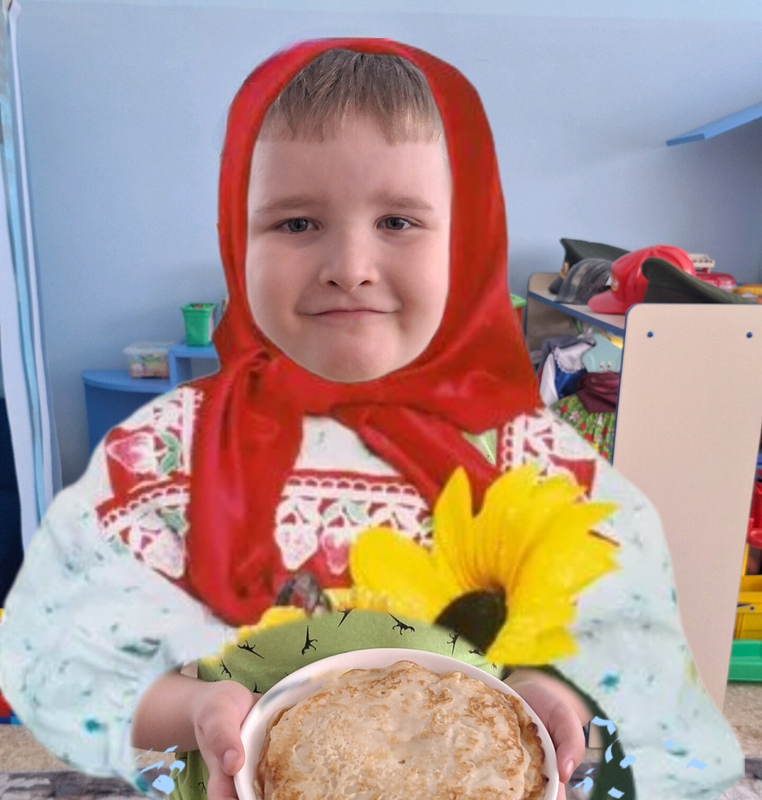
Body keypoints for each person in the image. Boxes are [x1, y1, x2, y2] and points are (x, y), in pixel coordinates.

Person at [0, 38, 744, 800]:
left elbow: (584, 647)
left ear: (464, 245)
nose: (350, 267)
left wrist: (546, 693)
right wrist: (194, 709)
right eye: (297, 224)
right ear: (236, 239)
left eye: (397, 221)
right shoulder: (167, 459)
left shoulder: (525, 461)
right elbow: (71, 669)